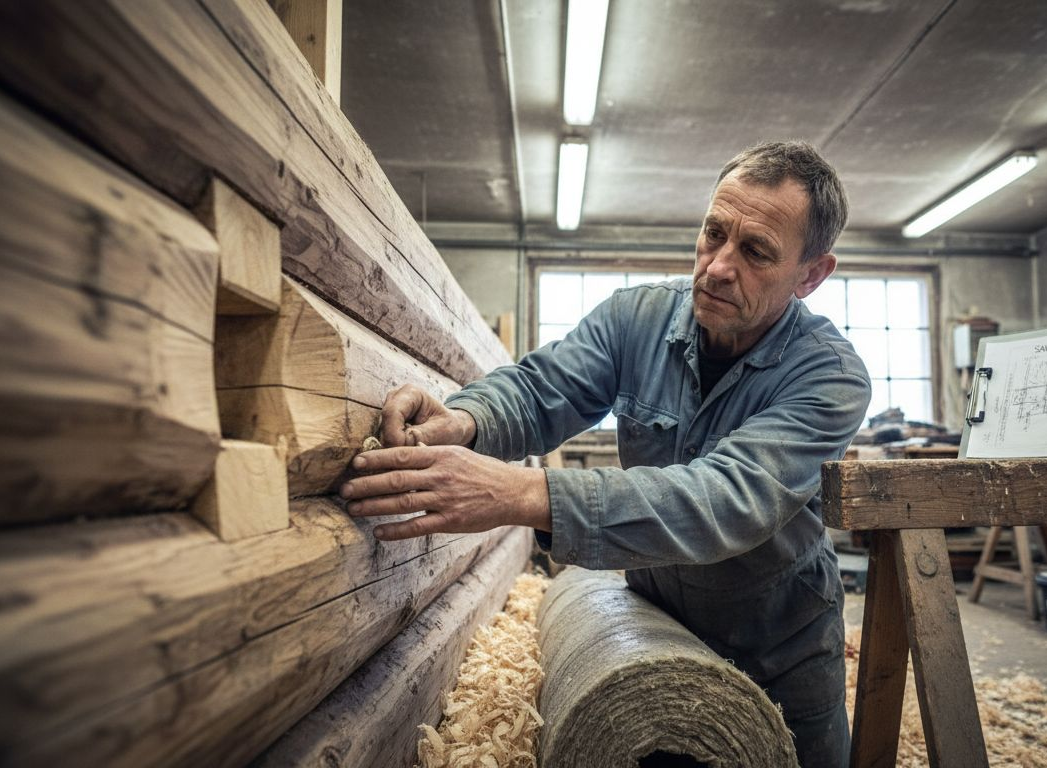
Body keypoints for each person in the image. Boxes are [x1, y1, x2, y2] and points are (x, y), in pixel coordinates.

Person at [340, 140, 871, 767]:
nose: (719, 266)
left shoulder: (830, 376)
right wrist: (464, 419)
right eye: (713, 233)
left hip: (781, 640)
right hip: (661, 625)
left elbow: (725, 500)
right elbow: (542, 390)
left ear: (811, 274)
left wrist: (517, 495)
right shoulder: (636, 318)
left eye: (756, 252)